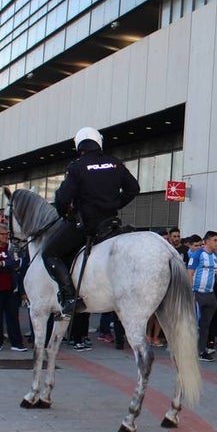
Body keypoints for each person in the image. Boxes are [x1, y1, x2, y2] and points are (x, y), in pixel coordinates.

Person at [42, 126, 140, 318]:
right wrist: (116, 203)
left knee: (50, 253)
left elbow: (62, 198)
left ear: (79, 145)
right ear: (99, 142)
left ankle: (70, 297)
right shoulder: (115, 163)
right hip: (110, 222)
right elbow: (133, 188)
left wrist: (65, 213)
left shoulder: (76, 166)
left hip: (86, 225)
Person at [0, 224, 26, 351]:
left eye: (7, 234)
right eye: (2, 234)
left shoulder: (12, 249)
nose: (5, 236)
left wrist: (2, 263)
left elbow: (16, 263)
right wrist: (7, 265)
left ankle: (16, 343)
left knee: (13, 316)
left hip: (11, 288)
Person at [186, 230, 217, 361]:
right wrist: (191, 292)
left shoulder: (215, 256)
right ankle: (187, 349)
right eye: (215, 240)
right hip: (197, 293)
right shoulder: (198, 254)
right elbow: (189, 273)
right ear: (207, 241)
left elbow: (213, 273)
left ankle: (201, 350)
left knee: (205, 324)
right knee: (192, 323)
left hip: (210, 293)